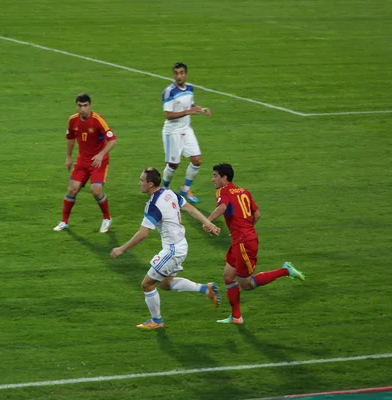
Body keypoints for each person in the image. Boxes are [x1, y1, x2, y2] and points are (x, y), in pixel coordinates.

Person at [110, 167, 221, 329]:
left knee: (147, 285)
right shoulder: (169, 193)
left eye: (142, 181)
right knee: (165, 284)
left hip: (172, 250)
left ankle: (156, 321)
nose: (139, 183)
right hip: (181, 244)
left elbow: (143, 234)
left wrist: (121, 249)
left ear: (151, 184)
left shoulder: (153, 205)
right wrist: (208, 223)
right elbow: (189, 208)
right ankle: (206, 288)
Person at [207, 163, 305, 325]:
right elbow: (257, 215)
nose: (213, 179)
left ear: (225, 178)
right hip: (241, 239)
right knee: (228, 276)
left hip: (243, 243)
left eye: (215, 175)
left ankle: (285, 270)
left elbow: (223, 207)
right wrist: (244, 230)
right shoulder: (244, 191)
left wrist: (208, 222)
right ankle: (236, 317)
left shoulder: (223, 191)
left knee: (247, 283)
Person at [53, 93, 116, 233]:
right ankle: (64, 221)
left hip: (98, 162)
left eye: (85, 106)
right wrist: (68, 157)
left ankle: (107, 218)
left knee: (96, 190)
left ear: (90, 106)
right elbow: (70, 138)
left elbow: (112, 140)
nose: (82, 109)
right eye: (80, 106)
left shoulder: (98, 120)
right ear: (76, 106)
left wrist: (101, 155)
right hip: (82, 161)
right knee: (72, 189)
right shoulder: (73, 120)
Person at [160, 62, 212, 203]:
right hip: (172, 132)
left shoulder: (190, 88)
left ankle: (185, 188)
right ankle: (163, 190)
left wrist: (201, 109)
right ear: (173, 74)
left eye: (181, 73)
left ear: (186, 74)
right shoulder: (169, 92)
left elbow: (191, 105)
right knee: (173, 165)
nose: (179, 76)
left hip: (186, 130)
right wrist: (188, 112)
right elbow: (168, 115)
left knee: (197, 160)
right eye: (176, 73)